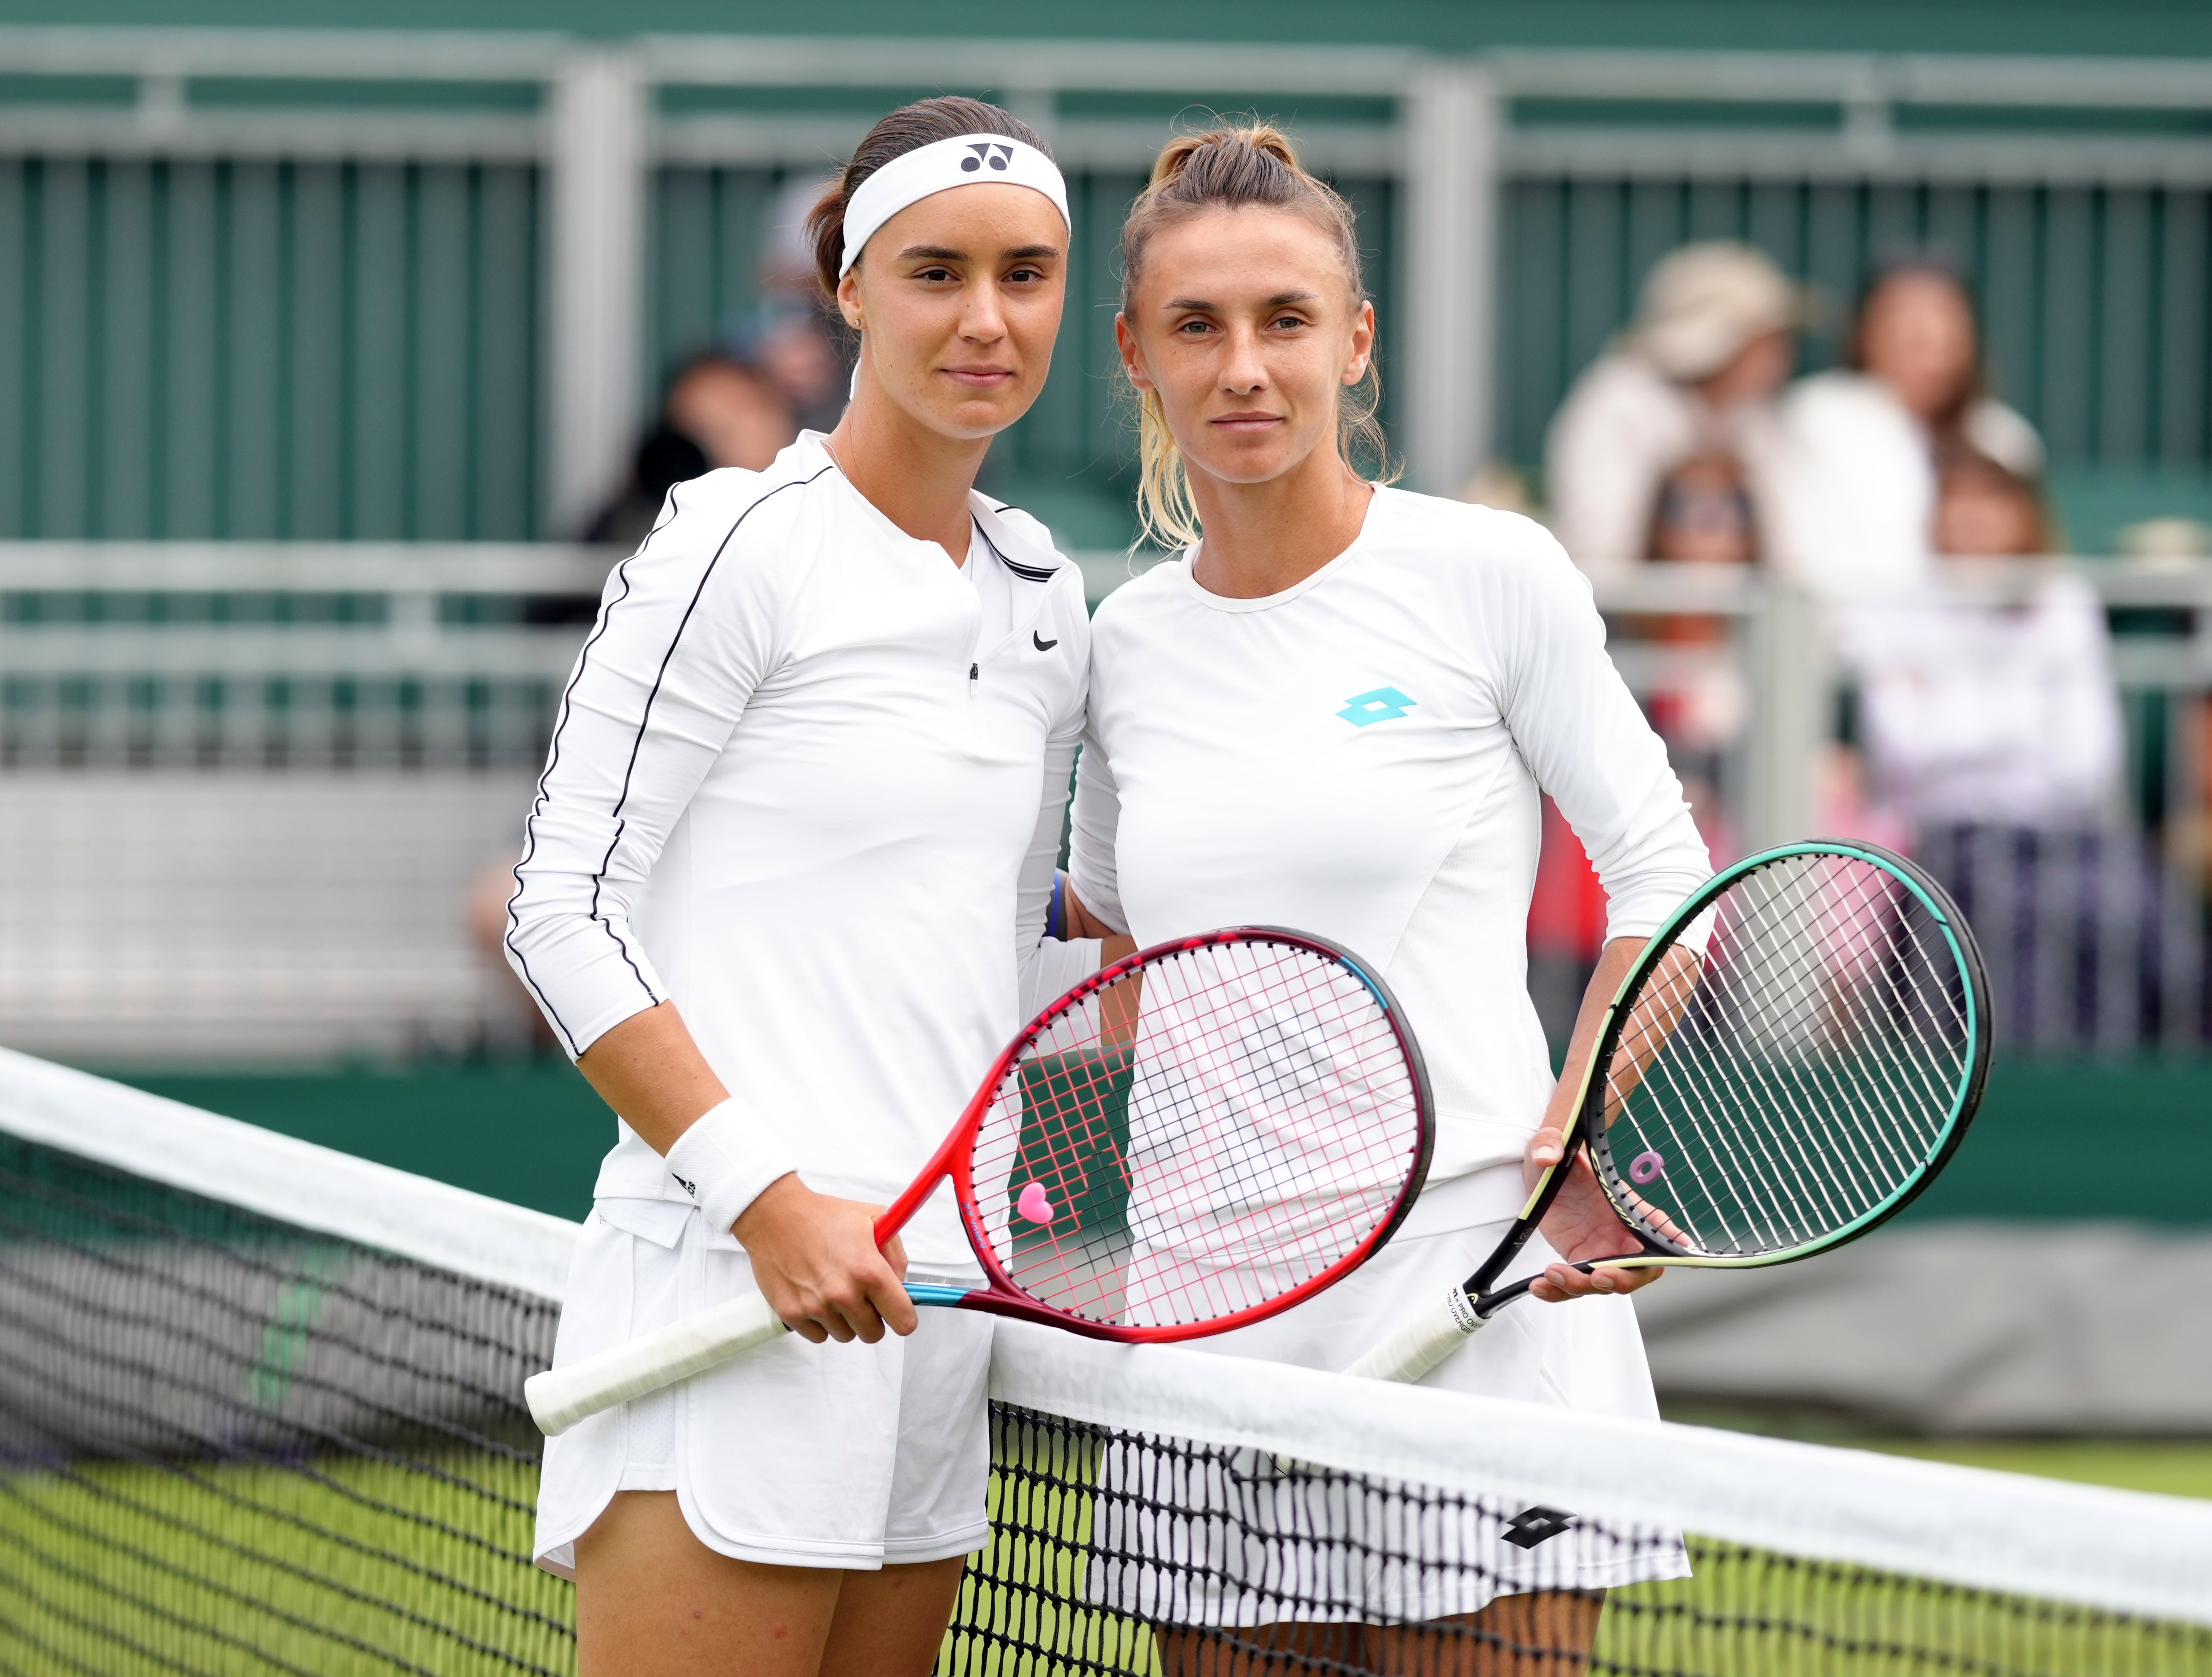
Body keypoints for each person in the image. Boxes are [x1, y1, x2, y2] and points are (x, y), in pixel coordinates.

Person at [1061, 124, 1713, 1672]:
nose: (1245, 369)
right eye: (1197, 327)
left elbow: (1662, 876)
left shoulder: (1491, 576)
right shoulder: (1121, 647)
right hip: (1212, 1312)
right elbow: (1115, 952)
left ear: (1354, 341)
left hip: (1468, 1282)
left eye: (1286, 320)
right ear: (1136, 353)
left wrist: (1572, 1136)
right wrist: (1055, 1217)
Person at [504, 96, 1114, 1677]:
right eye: (937, 273)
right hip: (726, 1283)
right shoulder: (738, 543)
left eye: (1027, 274)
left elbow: (993, 957)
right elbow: (558, 907)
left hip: (935, 1314)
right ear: (845, 289)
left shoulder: (1053, 603)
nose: (987, 318)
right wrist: (765, 1199)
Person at [1768, 258, 2042, 600]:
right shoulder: (1814, 417)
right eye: (1899, 313)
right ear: (1864, 329)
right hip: (1841, 637)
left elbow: (2031, 571)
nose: (1920, 330)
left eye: (1939, 314)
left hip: (1977, 644)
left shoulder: (2004, 438)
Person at [1544, 241, 1798, 583]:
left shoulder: (1755, 418)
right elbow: (1601, 556)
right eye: (1763, 341)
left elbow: (1788, 552)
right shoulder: (1618, 403)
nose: (1780, 358)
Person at [586, 354, 801, 551]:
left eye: (736, 421)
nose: (721, 445)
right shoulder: (652, 517)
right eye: (702, 430)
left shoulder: (813, 513)